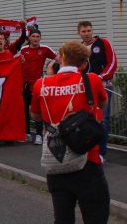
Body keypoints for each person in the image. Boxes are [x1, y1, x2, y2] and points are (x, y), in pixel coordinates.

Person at [30, 41, 109, 223]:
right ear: (83, 64)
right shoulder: (92, 80)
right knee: (96, 214)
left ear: (60, 58)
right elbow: (102, 104)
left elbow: (35, 114)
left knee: (63, 217)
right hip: (88, 159)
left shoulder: (40, 85)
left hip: (56, 158)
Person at [77, 20, 117, 160]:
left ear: (92, 31)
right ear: (79, 33)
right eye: (83, 31)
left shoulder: (103, 43)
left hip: (104, 86)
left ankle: (101, 153)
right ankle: (88, 151)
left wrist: (100, 77)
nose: (86, 33)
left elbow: (112, 63)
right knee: (85, 120)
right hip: (84, 88)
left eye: (88, 30)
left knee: (103, 120)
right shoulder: (79, 48)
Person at [19, 29, 56, 145]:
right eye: (33, 36)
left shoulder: (44, 49)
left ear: (40, 38)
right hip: (24, 84)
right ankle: (27, 133)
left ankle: (39, 134)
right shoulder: (24, 49)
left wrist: (50, 66)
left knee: (37, 110)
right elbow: (16, 61)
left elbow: (58, 57)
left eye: (37, 36)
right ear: (29, 38)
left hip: (37, 84)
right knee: (24, 109)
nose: (35, 38)